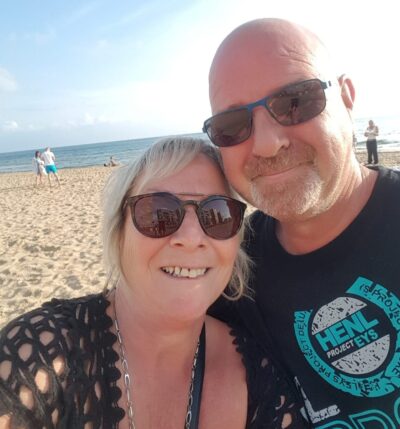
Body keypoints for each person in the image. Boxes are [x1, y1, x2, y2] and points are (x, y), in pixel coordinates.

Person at [0, 137, 307, 428]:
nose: (190, 238)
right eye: (158, 212)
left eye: (217, 214)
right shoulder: (39, 356)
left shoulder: (259, 376)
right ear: (119, 233)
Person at [203, 18, 400, 428]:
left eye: (295, 101)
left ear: (346, 97)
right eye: (232, 126)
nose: (267, 143)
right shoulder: (229, 271)